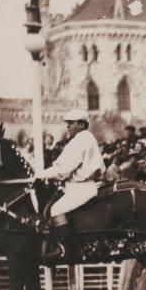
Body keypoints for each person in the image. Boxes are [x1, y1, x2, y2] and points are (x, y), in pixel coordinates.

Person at [35, 108, 105, 257]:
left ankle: (64, 248)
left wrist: (39, 175)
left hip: (81, 187)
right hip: (77, 186)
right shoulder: (85, 138)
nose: (68, 127)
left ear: (81, 124)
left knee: (56, 210)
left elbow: (63, 169)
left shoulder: (81, 140)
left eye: (71, 124)